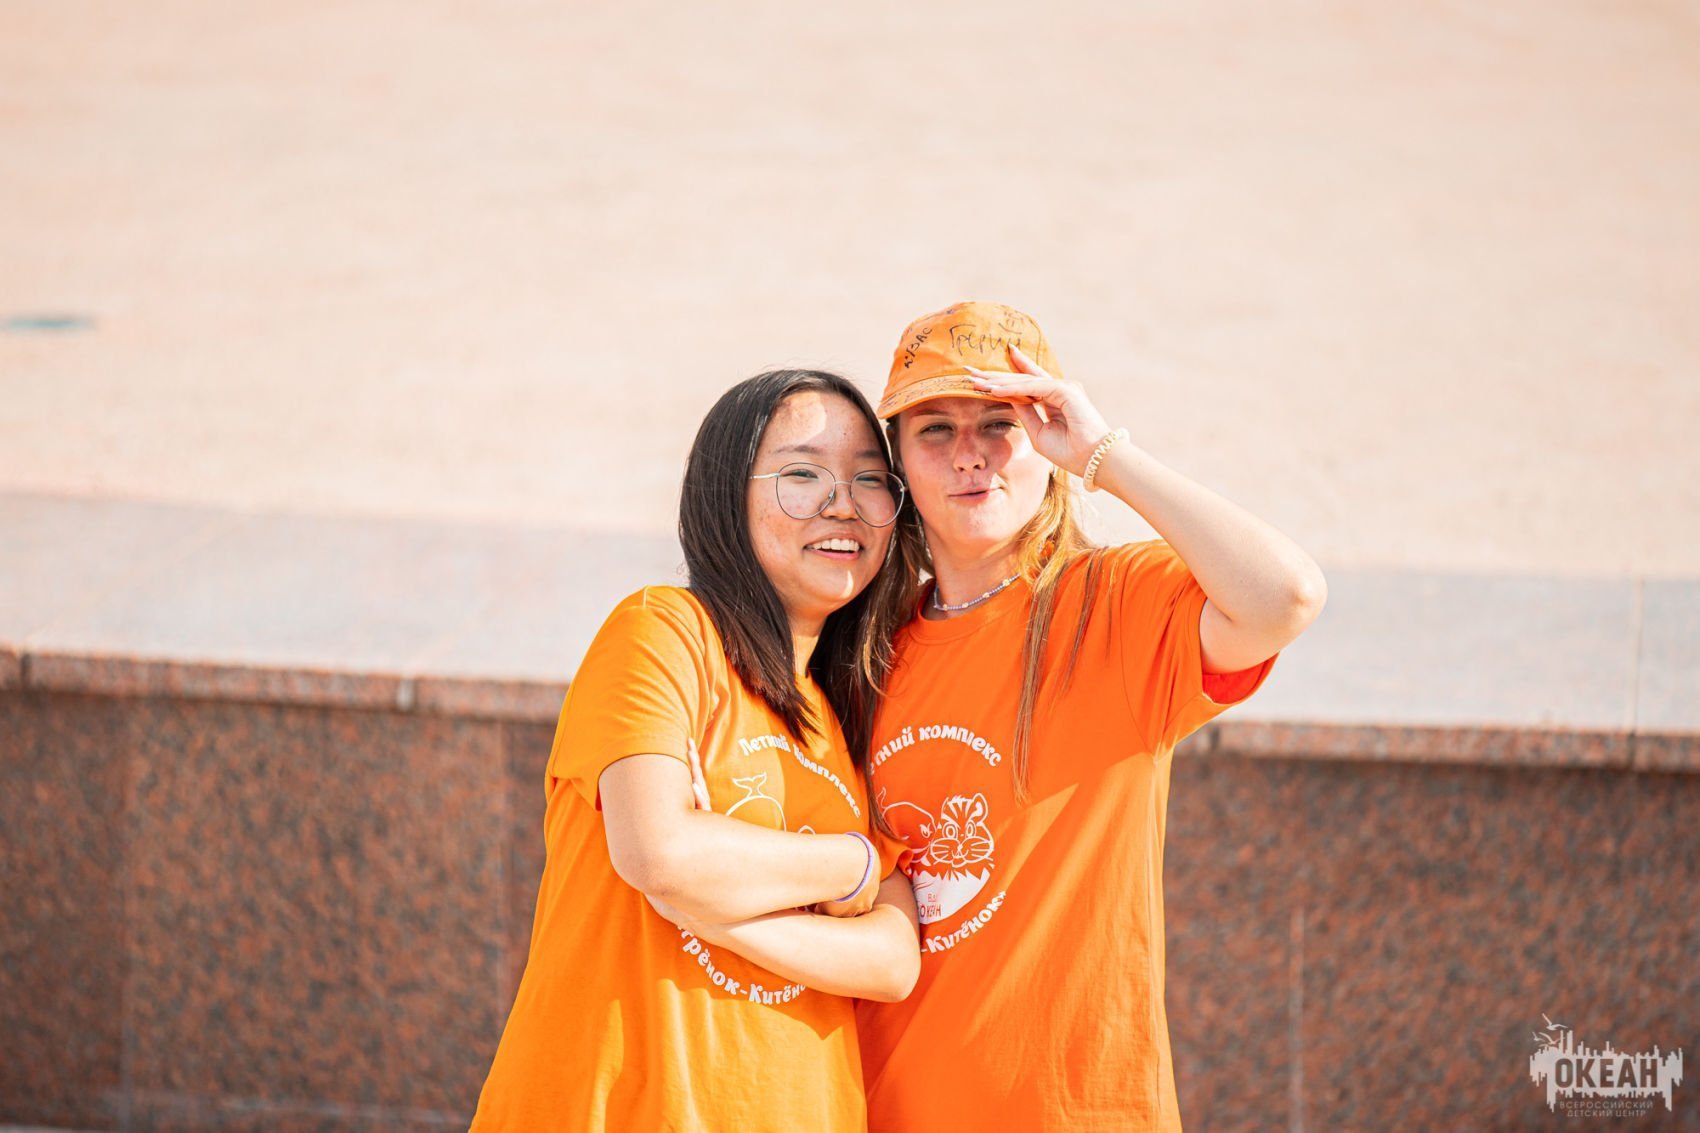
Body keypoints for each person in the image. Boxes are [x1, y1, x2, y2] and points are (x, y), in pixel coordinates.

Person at [855, 301, 1327, 1132]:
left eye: (999, 423)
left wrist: (1106, 455)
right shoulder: (866, 651)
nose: (968, 453)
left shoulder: (1112, 608)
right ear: (899, 466)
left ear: (1046, 441)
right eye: (935, 429)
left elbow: (1285, 596)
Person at [469, 370, 921, 1133]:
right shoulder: (664, 632)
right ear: (724, 495)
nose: (843, 503)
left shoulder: (848, 710)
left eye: (870, 479)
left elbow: (891, 961)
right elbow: (660, 850)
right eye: (802, 474)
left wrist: (721, 915)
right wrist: (851, 864)